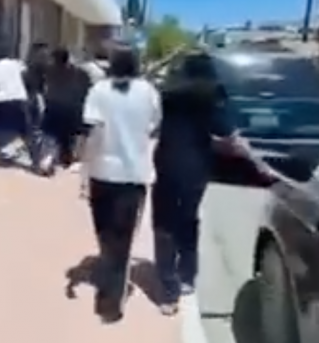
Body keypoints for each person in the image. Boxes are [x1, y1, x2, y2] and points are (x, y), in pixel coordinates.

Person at [152, 51, 274, 315]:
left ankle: (168, 291)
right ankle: (187, 276)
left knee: (163, 225)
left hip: (166, 163)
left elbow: (154, 126)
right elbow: (232, 139)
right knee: (188, 220)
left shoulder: (167, 93)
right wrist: (259, 164)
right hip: (196, 168)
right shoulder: (212, 94)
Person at [78, 46, 161, 322]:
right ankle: (111, 300)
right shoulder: (148, 92)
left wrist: (84, 171)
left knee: (105, 234)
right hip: (133, 175)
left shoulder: (99, 90)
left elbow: (93, 132)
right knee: (122, 240)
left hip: (101, 173)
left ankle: (109, 290)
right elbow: (153, 126)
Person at [0, 50, 38, 167]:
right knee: (25, 129)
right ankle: (34, 158)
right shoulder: (18, 64)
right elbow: (28, 80)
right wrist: (31, 96)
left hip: (2, 99)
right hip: (20, 98)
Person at [42, 47, 91, 169]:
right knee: (66, 135)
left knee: (51, 134)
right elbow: (85, 87)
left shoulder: (51, 71)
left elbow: (46, 86)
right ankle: (64, 158)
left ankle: (50, 157)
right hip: (71, 107)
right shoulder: (77, 72)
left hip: (54, 106)